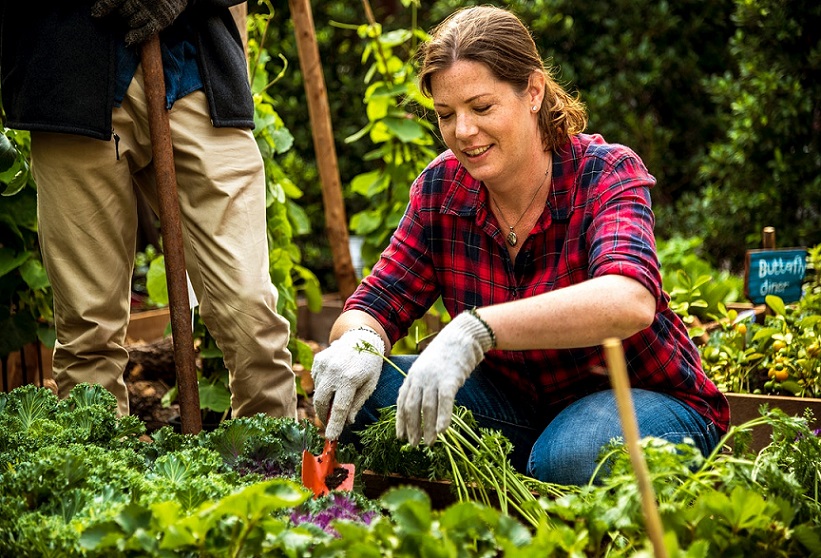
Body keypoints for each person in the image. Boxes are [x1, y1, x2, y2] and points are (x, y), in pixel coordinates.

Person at [310, 5, 729, 485]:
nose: (462, 131)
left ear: (532, 91)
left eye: (482, 107)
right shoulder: (441, 190)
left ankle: (545, 468)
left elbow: (629, 299)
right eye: (446, 114)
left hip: (640, 398)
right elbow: (374, 304)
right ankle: (522, 470)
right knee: (370, 390)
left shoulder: (604, 171)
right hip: (513, 408)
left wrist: (476, 330)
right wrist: (360, 341)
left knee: (571, 454)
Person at [0, 1, 297, 419]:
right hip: (69, 77)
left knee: (251, 313)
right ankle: (98, 476)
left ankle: (273, 474)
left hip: (197, 71)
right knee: (89, 333)